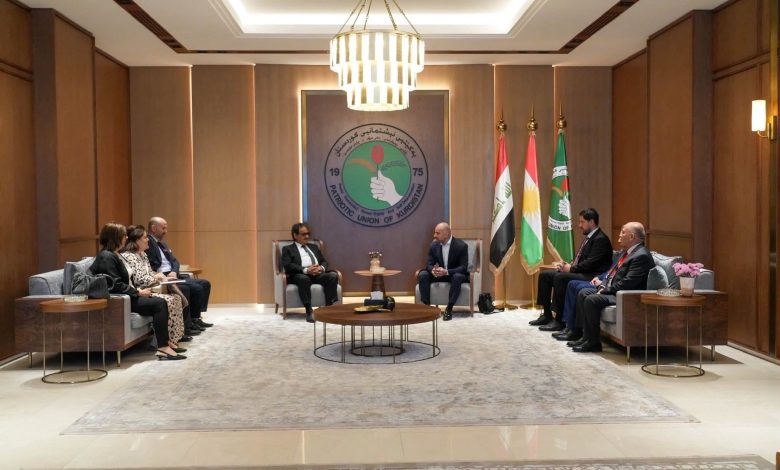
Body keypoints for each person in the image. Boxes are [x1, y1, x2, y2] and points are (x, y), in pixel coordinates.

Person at [89, 223, 184, 360]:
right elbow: (115, 284)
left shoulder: (115, 254)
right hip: (121, 301)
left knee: (161, 302)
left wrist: (138, 290)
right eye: (124, 235)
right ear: (115, 237)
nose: (127, 237)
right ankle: (163, 347)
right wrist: (138, 292)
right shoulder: (106, 257)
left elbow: (127, 280)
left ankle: (165, 343)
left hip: (129, 295)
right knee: (159, 304)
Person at [570, 222, 655, 353]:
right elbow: (612, 273)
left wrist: (605, 290)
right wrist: (602, 284)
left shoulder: (641, 256)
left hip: (626, 296)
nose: (619, 235)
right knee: (583, 292)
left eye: (623, 232)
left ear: (631, 237)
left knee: (591, 299)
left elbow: (628, 283)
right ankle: (585, 337)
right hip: (614, 290)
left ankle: (594, 343)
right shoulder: (627, 252)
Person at [530, 208, 613, 331]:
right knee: (545, 275)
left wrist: (571, 269)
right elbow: (582, 259)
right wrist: (567, 265)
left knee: (560, 277)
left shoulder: (600, 239)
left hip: (592, 275)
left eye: (582, 222)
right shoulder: (590, 237)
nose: (579, 225)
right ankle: (547, 315)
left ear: (591, 222)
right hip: (583, 271)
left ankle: (559, 320)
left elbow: (591, 264)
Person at [121, 225, 189, 353]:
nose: (148, 240)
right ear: (137, 240)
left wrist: (158, 276)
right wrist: (157, 277)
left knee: (176, 298)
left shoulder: (143, 255)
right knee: (169, 301)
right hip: (140, 292)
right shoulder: (129, 256)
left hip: (149, 289)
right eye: (145, 238)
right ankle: (163, 342)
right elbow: (139, 279)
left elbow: (148, 274)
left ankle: (172, 339)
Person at [146, 217, 213, 332]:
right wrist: (162, 275)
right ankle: (188, 324)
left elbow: (175, 261)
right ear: (154, 228)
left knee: (205, 283)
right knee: (195, 288)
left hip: (173, 274)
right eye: (163, 228)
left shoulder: (162, 244)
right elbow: (151, 264)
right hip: (162, 276)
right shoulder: (148, 243)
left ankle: (196, 317)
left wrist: (174, 271)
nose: (166, 231)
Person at [281, 222, 340, 323]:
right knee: (303, 279)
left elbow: (324, 261)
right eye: (304, 234)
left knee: (333, 276)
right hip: (300, 275)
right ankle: (309, 310)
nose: (307, 236)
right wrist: (306, 270)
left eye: (308, 234)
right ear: (295, 235)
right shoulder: (288, 249)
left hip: (317, 274)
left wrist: (321, 268)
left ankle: (328, 309)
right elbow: (288, 265)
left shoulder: (314, 247)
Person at [417, 222, 469, 321]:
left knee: (458, 276)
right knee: (423, 274)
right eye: (435, 233)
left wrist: (447, 271)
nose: (434, 235)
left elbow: (463, 267)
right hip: (438, 274)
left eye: (437, 233)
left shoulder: (461, 246)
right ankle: (427, 307)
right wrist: (433, 270)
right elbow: (429, 264)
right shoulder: (433, 245)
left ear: (446, 233)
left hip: (453, 274)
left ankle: (449, 309)